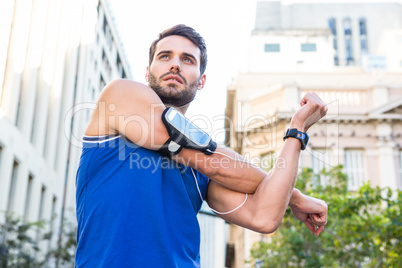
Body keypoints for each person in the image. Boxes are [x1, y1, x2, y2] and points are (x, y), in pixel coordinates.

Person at [75, 24, 328, 267]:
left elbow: (264, 215)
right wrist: (295, 197)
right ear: (147, 72)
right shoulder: (119, 95)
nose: (175, 63)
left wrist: (297, 131)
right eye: (165, 56)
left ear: (202, 80)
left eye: (187, 60)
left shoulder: (202, 172)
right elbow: (210, 159)